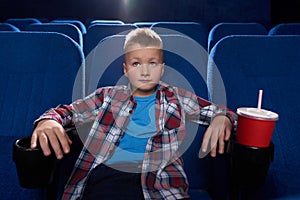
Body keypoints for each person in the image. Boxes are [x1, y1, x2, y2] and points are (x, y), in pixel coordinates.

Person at [31, 28, 236, 200]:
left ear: (162, 69)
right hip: (107, 177)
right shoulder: (107, 96)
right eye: (136, 63)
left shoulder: (176, 97)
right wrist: (48, 121)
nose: (144, 71)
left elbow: (219, 111)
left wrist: (222, 117)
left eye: (152, 63)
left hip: (160, 183)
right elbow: (68, 112)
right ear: (126, 70)